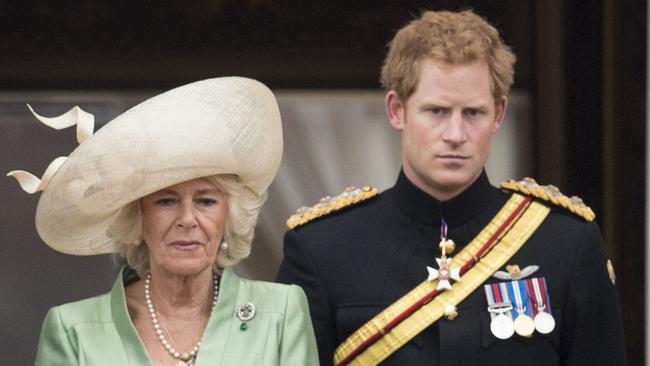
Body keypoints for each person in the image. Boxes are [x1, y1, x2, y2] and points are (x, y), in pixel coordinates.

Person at [277, 10, 626, 366]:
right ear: (397, 110)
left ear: (499, 114)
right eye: (437, 111)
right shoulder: (322, 249)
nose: (456, 135)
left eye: (473, 113)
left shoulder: (567, 244)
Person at [9, 77, 319, 365]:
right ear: (137, 218)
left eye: (206, 201)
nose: (187, 219)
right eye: (166, 201)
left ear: (229, 216)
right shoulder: (72, 329)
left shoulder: (281, 312)